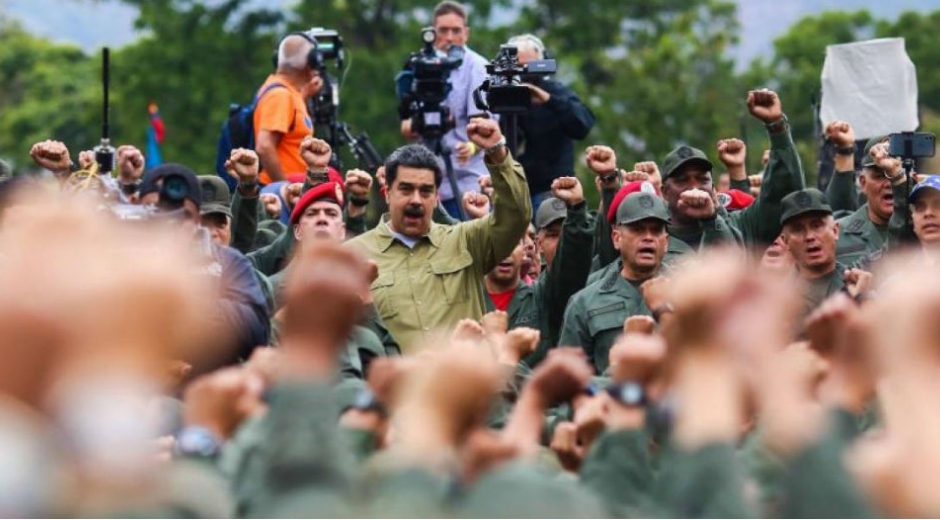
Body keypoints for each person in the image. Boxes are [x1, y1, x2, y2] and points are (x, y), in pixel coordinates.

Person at [349, 118, 531, 351]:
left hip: (466, 383)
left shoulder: (466, 241)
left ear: (437, 197)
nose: (416, 200)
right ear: (387, 193)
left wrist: (497, 152)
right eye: (406, 189)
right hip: (396, 385)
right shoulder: (352, 256)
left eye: (426, 191)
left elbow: (516, 216)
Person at [138, 163, 270, 363]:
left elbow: (256, 331)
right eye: (157, 213)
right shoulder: (124, 259)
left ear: (196, 219)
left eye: (181, 216)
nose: (169, 222)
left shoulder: (227, 261)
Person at [483, 177, 594, 366]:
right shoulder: (465, 299)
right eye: (497, 242)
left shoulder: (543, 297)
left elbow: (570, 266)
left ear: (527, 248)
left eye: (513, 242)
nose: (505, 252)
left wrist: (576, 209)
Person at [559, 192, 672, 374]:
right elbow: (570, 380)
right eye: (637, 229)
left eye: (656, 230)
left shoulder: (689, 295)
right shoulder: (585, 302)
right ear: (616, 238)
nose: (648, 237)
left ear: (666, 242)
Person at [400, 1, 492, 220]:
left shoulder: (477, 67)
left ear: (466, 34)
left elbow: (485, 129)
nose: (449, 37)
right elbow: (405, 127)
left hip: (468, 179)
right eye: (443, 30)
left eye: (456, 31)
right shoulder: (418, 65)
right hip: (428, 174)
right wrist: (419, 123)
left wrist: (471, 146)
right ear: (432, 32)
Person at [503, 34, 595, 210]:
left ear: (542, 62)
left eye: (530, 66)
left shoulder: (556, 92)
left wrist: (548, 99)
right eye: (519, 67)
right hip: (519, 190)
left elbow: (583, 125)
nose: (525, 73)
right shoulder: (506, 96)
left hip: (554, 190)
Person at [778, 188, 871, 319]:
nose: (809, 236)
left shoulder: (857, 284)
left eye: (817, 225)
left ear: (835, 231)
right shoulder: (777, 300)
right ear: (785, 241)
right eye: (798, 229)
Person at [826, 123, 899, 266]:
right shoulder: (836, 234)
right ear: (863, 183)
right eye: (879, 176)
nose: (889, 183)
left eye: (896, 174)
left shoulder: (927, 230)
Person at [253, 33, 318, 185]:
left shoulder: (290, 94)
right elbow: (264, 146)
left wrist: (304, 96)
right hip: (281, 196)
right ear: (311, 62)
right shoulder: (280, 95)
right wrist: (284, 189)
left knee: (330, 177)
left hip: (294, 188)